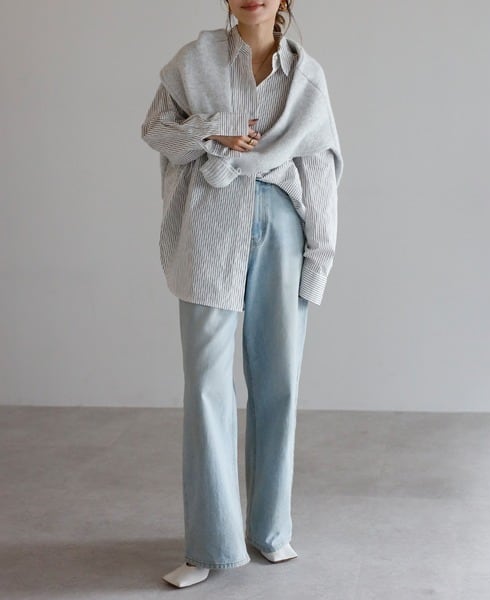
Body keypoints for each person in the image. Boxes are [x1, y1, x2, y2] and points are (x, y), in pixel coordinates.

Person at [140, 0, 344, 589]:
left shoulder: (306, 77)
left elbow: (319, 167)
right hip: (210, 225)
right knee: (207, 386)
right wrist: (212, 130)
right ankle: (210, 544)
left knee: (278, 381)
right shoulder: (194, 60)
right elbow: (155, 130)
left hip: (282, 226)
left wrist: (320, 257)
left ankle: (270, 531)